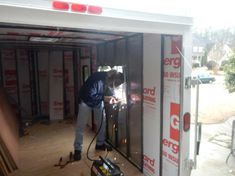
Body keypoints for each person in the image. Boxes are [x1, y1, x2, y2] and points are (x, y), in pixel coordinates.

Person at [73, 70, 124, 161]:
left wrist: (113, 97)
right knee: (81, 125)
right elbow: (89, 95)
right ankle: (77, 149)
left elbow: (109, 91)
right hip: (85, 100)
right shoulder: (96, 79)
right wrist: (104, 98)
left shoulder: (108, 81)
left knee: (102, 122)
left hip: (97, 101)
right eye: (114, 83)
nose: (113, 86)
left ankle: (100, 144)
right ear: (111, 79)